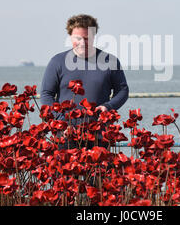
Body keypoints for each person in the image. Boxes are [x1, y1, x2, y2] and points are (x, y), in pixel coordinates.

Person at [40, 14, 129, 148]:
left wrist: (108, 107)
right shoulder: (57, 62)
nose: (82, 43)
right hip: (65, 135)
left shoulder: (109, 61)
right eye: (78, 38)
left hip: (98, 133)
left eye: (87, 38)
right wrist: (60, 120)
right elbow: (46, 94)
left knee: (99, 170)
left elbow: (123, 90)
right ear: (70, 37)